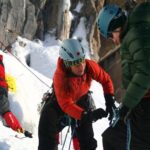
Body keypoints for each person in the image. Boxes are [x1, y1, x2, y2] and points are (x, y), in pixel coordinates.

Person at [38, 39, 115, 150]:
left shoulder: (89, 66)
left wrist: (110, 100)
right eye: (75, 63)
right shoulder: (60, 77)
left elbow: (105, 80)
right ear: (67, 64)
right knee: (47, 121)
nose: (81, 66)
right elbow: (66, 104)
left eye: (82, 60)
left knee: (87, 139)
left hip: (82, 100)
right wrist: (87, 116)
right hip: (60, 104)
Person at [97, 2, 150, 150]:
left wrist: (127, 104)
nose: (113, 40)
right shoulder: (135, 32)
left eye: (110, 35)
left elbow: (146, 71)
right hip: (141, 104)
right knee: (113, 137)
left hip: (145, 106)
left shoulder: (135, 34)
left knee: (113, 139)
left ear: (116, 26)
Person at [0, 54, 22, 132]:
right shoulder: (1, 62)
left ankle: (17, 128)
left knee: (5, 111)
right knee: (5, 111)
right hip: (3, 88)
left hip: (1, 89)